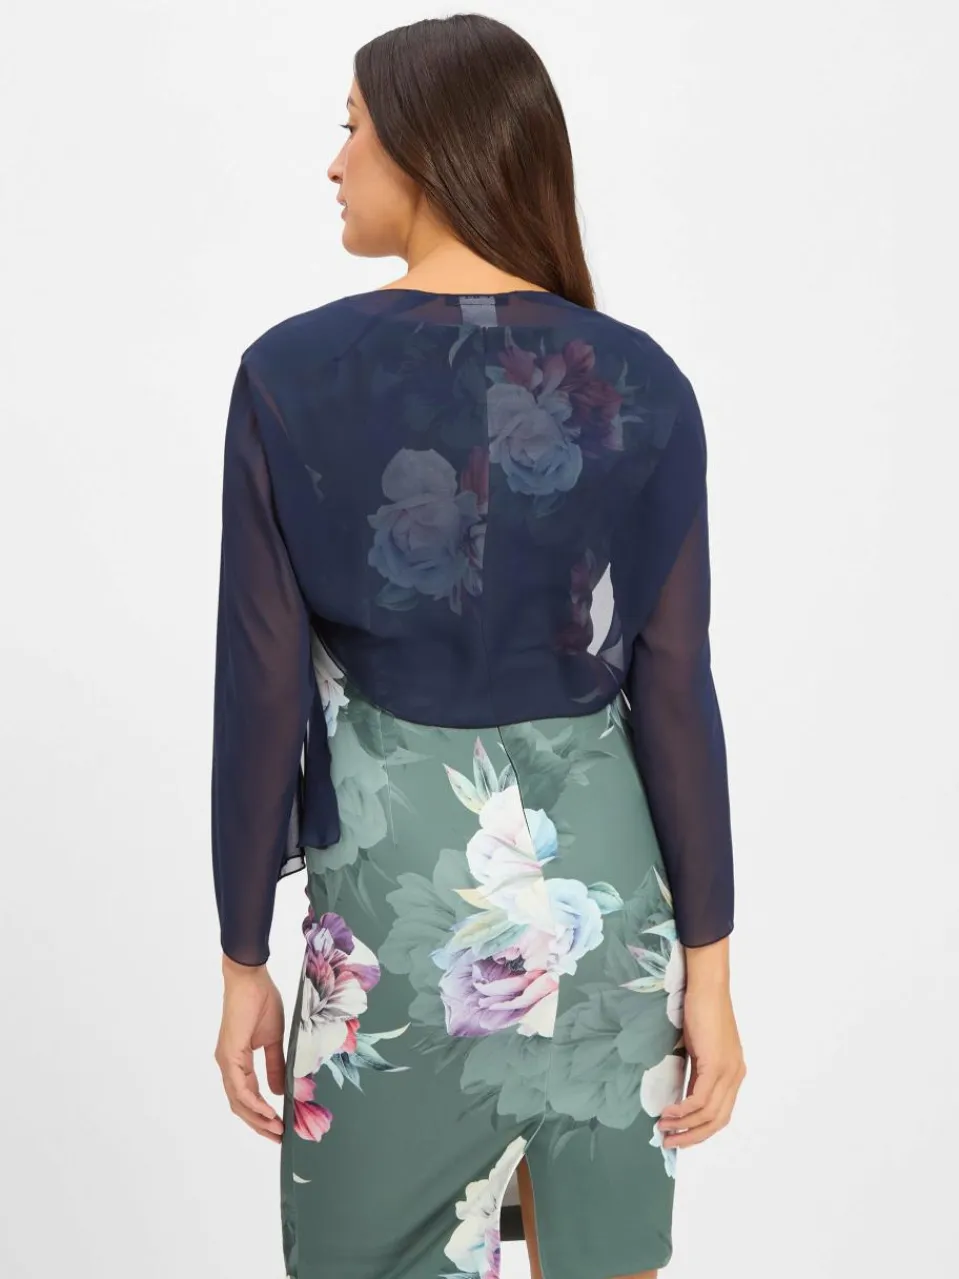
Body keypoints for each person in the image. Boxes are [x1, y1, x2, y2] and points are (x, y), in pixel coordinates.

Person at [211, 14, 745, 1279]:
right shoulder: (639, 381)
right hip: (597, 892)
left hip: (390, 900)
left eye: (351, 129)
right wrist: (710, 975)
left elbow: (260, 684)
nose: (334, 163)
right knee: (598, 1255)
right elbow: (674, 687)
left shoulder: (288, 375)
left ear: (425, 146)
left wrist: (242, 957)